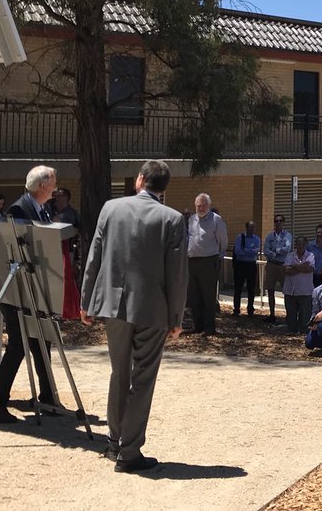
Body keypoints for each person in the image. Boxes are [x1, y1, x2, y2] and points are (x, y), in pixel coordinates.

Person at [80, 160, 188, 474]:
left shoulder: (110, 209)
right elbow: (177, 274)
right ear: (163, 188)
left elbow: (94, 255)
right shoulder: (173, 219)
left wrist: (86, 300)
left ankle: (115, 443)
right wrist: (177, 317)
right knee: (143, 379)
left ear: (140, 179)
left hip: (113, 305)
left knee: (119, 374)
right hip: (153, 308)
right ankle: (129, 452)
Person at [0, 165, 61, 421]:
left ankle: (48, 397)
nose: (56, 186)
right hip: (16, 289)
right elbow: (17, 251)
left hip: (36, 288)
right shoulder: (18, 210)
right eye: (53, 182)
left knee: (42, 339)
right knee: (18, 344)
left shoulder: (43, 209)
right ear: (42, 186)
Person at [186, 193, 227, 336]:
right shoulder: (192, 219)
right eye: (198, 205)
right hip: (192, 261)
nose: (200, 208)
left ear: (208, 205)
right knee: (194, 295)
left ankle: (209, 328)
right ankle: (197, 326)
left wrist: (218, 258)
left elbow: (223, 242)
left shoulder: (216, 220)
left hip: (209, 261)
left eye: (203, 205)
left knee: (208, 297)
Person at [282, 236, 315, 334]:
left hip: (305, 291)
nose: (300, 246)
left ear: (306, 245)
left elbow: (310, 269)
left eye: (302, 244)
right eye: (298, 244)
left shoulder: (310, 256)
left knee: (305, 316)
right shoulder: (290, 255)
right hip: (290, 291)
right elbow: (286, 270)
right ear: (295, 245)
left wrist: (294, 266)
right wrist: (301, 267)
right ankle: (292, 333)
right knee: (291, 315)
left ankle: (304, 334)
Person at [263, 214, 293, 322]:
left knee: (286, 291)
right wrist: (276, 253)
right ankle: (272, 314)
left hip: (282, 265)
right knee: (270, 290)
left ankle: (288, 315)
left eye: (280, 221)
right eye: (276, 221)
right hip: (271, 264)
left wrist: (275, 250)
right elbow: (266, 250)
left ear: (284, 223)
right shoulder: (270, 236)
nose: (278, 223)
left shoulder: (288, 236)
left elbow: (287, 248)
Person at [231, 220, 260, 316]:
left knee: (251, 288)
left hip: (251, 265)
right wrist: (250, 251)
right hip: (240, 265)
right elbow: (238, 251)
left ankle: (250, 309)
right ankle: (236, 309)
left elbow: (256, 251)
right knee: (238, 287)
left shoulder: (257, 239)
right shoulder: (240, 237)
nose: (253, 229)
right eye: (251, 227)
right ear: (246, 228)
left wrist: (246, 250)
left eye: (254, 227)